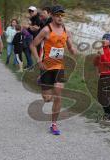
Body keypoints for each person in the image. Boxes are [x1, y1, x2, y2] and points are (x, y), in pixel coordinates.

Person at [30, 5, 76, 135]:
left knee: (58, 95)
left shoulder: (66, 31)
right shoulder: (46, 30)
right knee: (47, 98)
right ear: (53, 16)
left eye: (62, 15)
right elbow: (33, 45)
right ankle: (41, 80)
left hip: (59, 67)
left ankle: (54, 124)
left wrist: (73, 50)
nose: (60, 17)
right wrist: (39, 61)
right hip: (46, 67)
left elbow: (70, 46)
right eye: (57, 15)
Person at [93, 33, 110, 121]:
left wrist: (102, 55)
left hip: (109, 76)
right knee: (100, 97)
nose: (103, 40)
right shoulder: (101, 50)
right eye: (103, 38)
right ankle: (107, 113)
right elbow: (95, 64)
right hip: (102, 76)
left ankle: (108, 114)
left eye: (106, 39)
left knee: (106, 96)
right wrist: (97, 57)